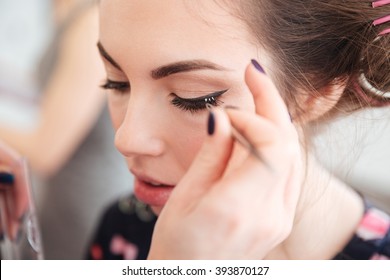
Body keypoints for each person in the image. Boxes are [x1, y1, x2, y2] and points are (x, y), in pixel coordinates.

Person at [86, 0, 390, 260]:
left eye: (192, 98)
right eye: (116, 82)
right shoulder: (126, 226)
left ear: (316, 92)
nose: (126, 139)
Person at [0, 0, 132, 259]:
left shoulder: (91, 24)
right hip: (59, 199)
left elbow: (45, 150)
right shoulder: (62, 9)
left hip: (89, 207)